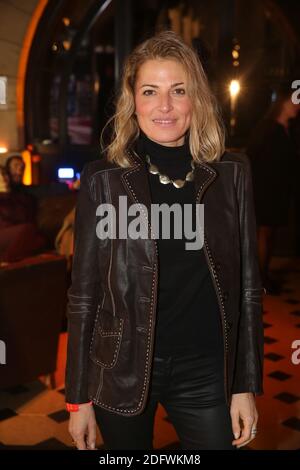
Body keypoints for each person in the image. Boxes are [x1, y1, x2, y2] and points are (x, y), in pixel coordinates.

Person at [65, 30, 264, 450]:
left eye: (179, 90)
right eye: (150, 91)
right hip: (120, 366)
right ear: (132, 101)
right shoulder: (103, 181)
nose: (165, 106)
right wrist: (77, 397)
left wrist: (245, 384)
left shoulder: (232, 174)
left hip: (206, 369)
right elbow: (84, 295)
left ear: (198, 98)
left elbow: (248, 289)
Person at [247, 87, 300, 294]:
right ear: (285, 102)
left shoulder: (289, 128)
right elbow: (252, 158)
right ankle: (260, 279)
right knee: (264, 233)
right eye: (296, 100)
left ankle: (264, 275)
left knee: (270, 235)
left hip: (279, 190)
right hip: (265, 189)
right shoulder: (268, 128)